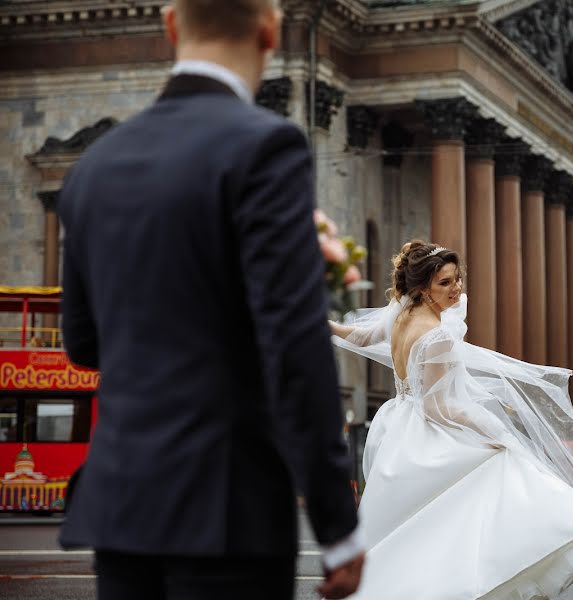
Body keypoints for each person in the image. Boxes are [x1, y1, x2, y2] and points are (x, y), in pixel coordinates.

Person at [57, 1, 363, 598]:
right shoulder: (265, 146)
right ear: (269, 30)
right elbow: (296, 351)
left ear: (171, 25)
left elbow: (83, 343)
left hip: (120, 508)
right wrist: (336, 521)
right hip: (227, 506)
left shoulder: (93, 166)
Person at [330, 240, 573, 599]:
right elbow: (439, 408)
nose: (456, 289)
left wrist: (327, 325)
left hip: (399, 429)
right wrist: (494, 430)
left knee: (418, 527)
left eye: (457, 279)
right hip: (427, 430)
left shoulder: (400, 314)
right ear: (423, 288)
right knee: (495, 476)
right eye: (445, 283)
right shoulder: (436, 335)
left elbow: (360, 335)